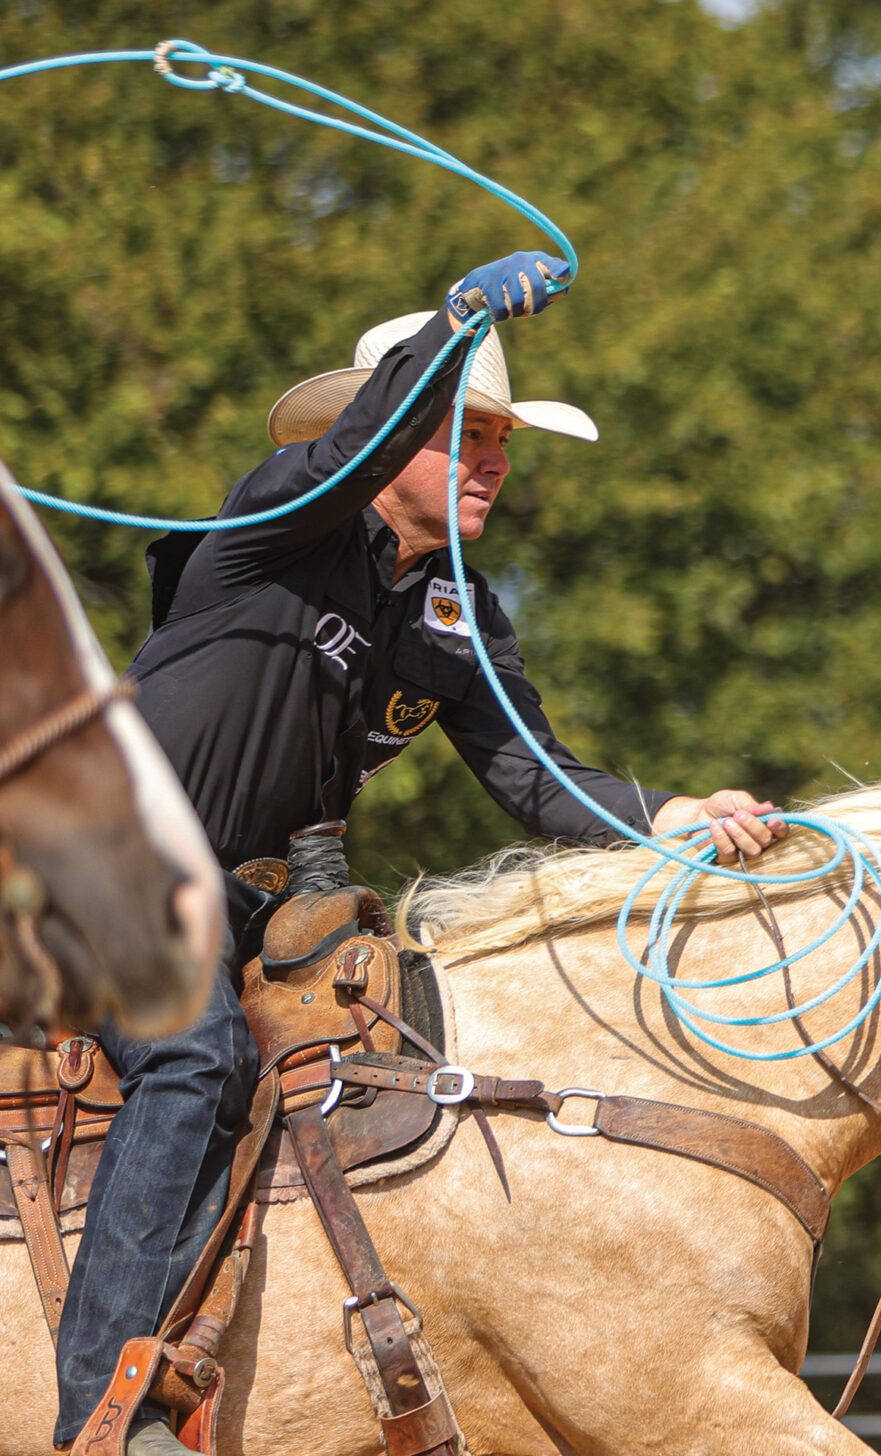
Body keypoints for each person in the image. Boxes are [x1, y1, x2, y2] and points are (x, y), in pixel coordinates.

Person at [54, 253, 786, 1454]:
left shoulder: (458, 612)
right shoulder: (278, 525)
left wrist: (672, 817)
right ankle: (106, 1413)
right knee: (193, 1060)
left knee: (376, 1061)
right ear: (391, 434)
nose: (495, 460)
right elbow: (349, 450)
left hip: (234, 900)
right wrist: (460, 323)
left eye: (505, 441)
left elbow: (531, 775)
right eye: (466, 433)